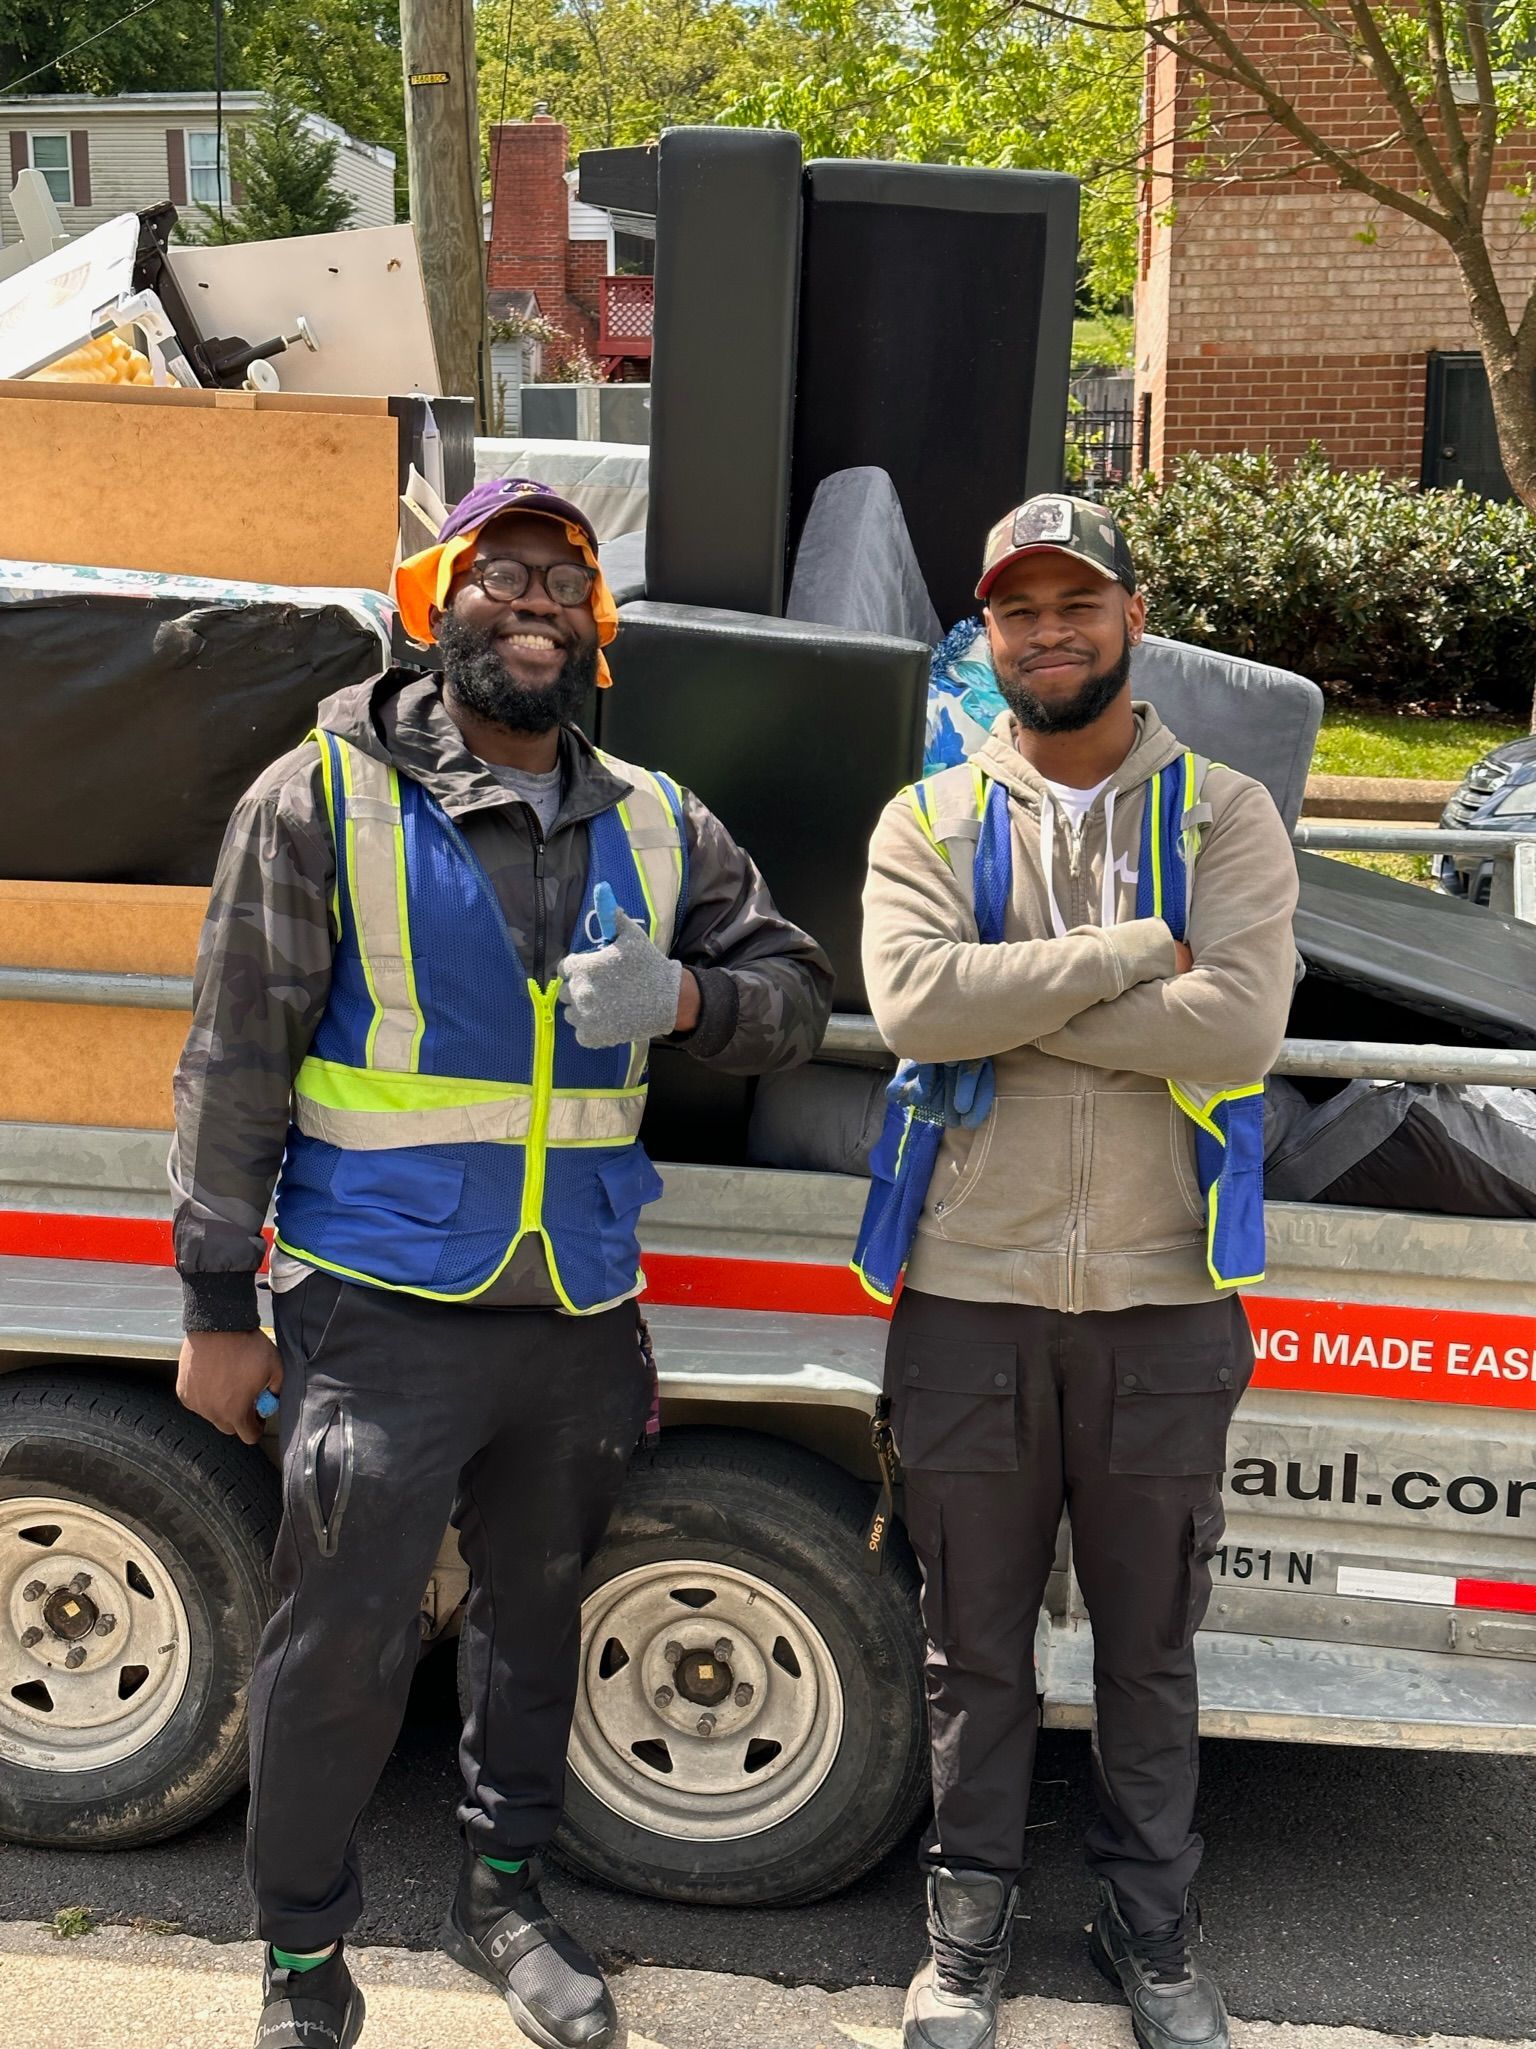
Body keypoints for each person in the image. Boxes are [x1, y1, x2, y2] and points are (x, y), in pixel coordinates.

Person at [170, 476, 832, 2049]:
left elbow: (798, 993)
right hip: (378, 1300)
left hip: (580, 1307)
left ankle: (506, 1897)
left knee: (536, 1627)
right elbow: (234, 1058)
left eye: (562, 579)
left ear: (595, 630)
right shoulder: (319, 798)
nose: (534, 600)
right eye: (501, 571)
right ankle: (304, 1960)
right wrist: (214, 1300)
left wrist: (688, 1001)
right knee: (339, 1643)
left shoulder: (661, 820)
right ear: (435, 604)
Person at [857, 494, 1297, 2049]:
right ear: (987, 633)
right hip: (967, 1298)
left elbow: (1238, 1026)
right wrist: (1124, 956)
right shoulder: (927, 820)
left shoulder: (1227, 817)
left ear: (1132, 617)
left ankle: (1149, 1931)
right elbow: (916, 1007)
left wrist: (1014, 1002)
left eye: (1077, 604)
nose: (1049, 633)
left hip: (1164, 1304)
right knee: (972, 1650)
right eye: (1019, 611)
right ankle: (964, 1936)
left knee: (1149, 1650)